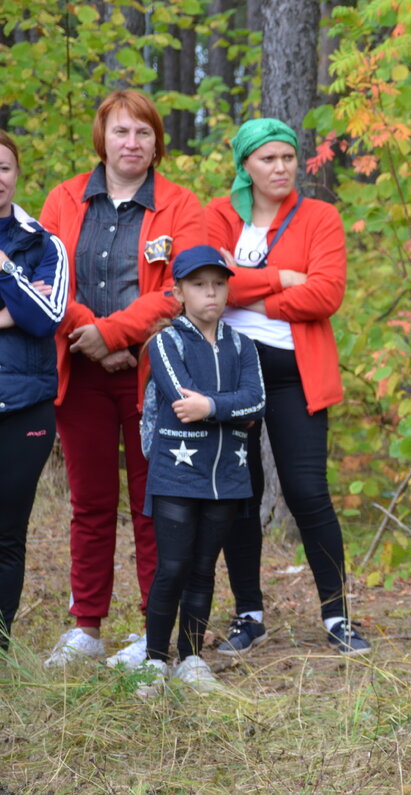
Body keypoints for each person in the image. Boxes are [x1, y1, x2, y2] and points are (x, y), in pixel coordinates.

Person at [39, 90, 206, 668]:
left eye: (143, 133)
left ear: (158, 143)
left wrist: (115, 336)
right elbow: (49, 280)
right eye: (121, 133)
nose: (132, 143)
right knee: (90, 503)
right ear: (102, 140)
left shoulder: (182, 207)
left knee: (152, 504)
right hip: (81, 373)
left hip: (153, 376)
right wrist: (96, 339)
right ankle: (86, 626)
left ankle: (152, 631)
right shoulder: (63, 200)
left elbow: (177, 291)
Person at [206, 118, 369, 656]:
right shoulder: (219, 216)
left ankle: (337, 616)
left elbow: (325, 295)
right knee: (239, 495)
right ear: (245, 166)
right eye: (267, 159)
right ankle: (248, 615)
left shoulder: (320, 217)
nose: (280, 168)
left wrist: (241, 292)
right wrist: (279, 277)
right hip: (229, 373)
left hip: (296, 373)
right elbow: (201, 286)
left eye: (288, 158)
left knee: (307, 492)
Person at [137, 245, 265, 694]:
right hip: (177, 472)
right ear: (179, 292)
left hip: (228, 474)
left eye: (218, 284)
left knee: (204, 569)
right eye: (199, 285)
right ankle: (155, 660)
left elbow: (257, 401)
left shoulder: (243, 345)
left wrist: (210, 404)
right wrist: (229, 409)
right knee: (172, 565)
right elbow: (178, 397)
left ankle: (191, 657)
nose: (211, 293)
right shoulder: (165, 343)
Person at [0, 130, 69, 651]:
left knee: (6, 534)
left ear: (16, 174)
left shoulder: (45, 244)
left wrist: (4, 268)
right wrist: (12, 312)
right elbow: (25, 312)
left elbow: (46, 317)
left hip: (24, 406)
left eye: (3, 167)